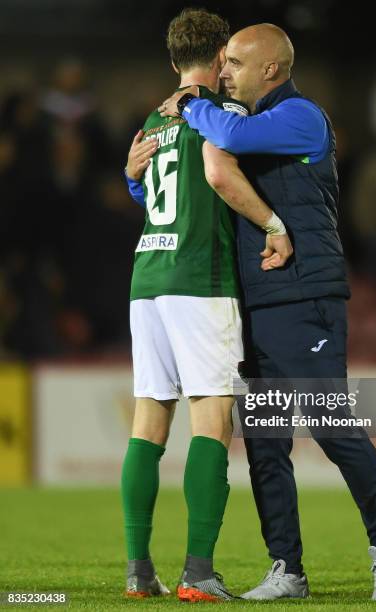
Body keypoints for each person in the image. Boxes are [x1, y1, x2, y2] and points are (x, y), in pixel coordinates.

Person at [159, 23, 376, 602]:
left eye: (234, 65)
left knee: (330, 424)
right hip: (257, 302)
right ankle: (288, 569)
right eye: (220, 66)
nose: (223, 74)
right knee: (267, 443)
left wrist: (196, 100)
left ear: (270, 71)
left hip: (306, 296)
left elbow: (222, 126)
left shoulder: (302, 117)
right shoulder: (248, 127)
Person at [122, 9, 292, 603]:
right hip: (200, 278)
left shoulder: (152, 118)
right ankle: (198, 572)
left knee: (148, 424)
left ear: (173, 61)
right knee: (212, 424)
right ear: (223, 55)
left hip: (148, 279)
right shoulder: (219, 113)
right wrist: (274, 222)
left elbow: (148, 188)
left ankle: (139, 570)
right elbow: (219, 173)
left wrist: (131, 181)